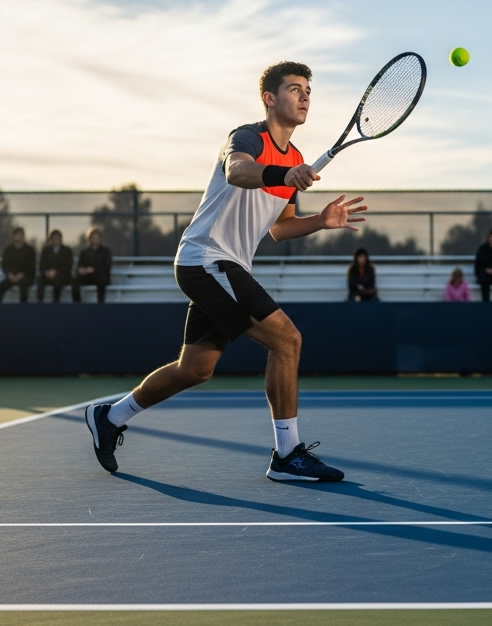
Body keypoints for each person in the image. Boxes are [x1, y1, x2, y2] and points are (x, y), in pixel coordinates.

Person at [84, 61, 366, 482]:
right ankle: (287, 455)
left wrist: (320, 222)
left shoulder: (297, 158)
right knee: (287, 340)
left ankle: (109, 416)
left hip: (225, 264)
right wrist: (283, 173)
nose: (305, 96)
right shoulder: (247, 137)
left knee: (196, 369)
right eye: (294, 88)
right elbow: (238, 170)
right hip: (206, 259)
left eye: (308, 89)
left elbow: (278, 228)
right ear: (270, 98)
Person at [0, 227, 36, 303]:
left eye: (20, 236)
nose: (18, 239)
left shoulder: (30, 250)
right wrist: (9, 274)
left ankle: (22, 309)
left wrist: (21, 275)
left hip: (26, 277)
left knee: (24, 285)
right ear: (12, 237)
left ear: (23, 237)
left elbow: (31, 267)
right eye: (16, 236)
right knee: (1, 286)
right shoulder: (8, 250)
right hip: (11, 277)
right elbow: (4, 266)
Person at [73, 228, 113, 303]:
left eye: (96, 238)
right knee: (75, 280)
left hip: (100, 276)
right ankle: (77, 304)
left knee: (102, 279)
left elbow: (107, 267)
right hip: (87, 276)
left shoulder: (105, 251)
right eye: (93, 238)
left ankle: (100, 304)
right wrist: (82, 270)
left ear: (100, 239)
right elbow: (79, 265)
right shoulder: (84, 252)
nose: (94, 240)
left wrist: (94, 270)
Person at [36, 229, 73, 303]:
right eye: (53, 239)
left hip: (61, 276)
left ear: (61, 239)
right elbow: (42, 266)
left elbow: (68, 266)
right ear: (51, 240)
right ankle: (40, 303)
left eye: (57, 238)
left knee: (57, 281)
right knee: (39, 281)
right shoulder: (46, 251)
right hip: (47, 276)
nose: (55, 240)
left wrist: (56, 272)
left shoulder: (67, 251)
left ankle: (56, 303)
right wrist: (46, 272)